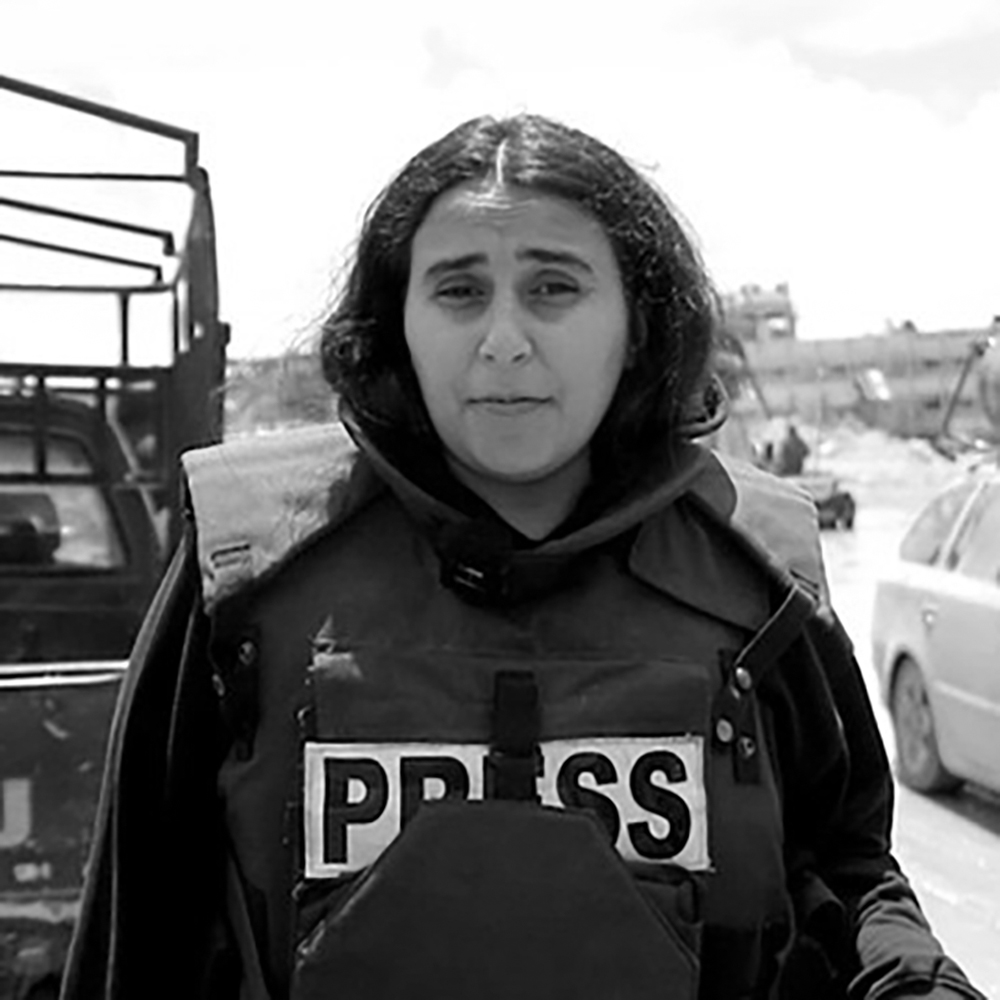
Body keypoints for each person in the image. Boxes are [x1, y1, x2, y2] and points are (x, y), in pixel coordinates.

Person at [61, 114, 984, 1000]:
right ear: (397, 320)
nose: (504, 343)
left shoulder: (757, 579)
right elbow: (138, 930)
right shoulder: (252, 571)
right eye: (459, 291)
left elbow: (845, 866)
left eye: (553, 288)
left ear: (638, 322)